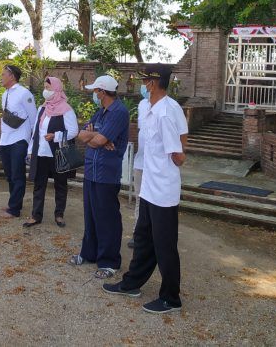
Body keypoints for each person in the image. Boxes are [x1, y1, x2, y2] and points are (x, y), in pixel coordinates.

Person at [103, 64, 189, 315]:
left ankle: (171, 298)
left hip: (163, 188)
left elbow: (179, 153)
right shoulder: (147, 107)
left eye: (144, 80)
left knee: (164, 244)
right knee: (143, 238)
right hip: (149, 184)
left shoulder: (166, 112)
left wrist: (174, 159)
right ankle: (132, 283)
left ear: (153, 83)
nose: (141, 84)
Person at [70, 75, 130, 280]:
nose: (94, 94)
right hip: (91, 170)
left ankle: (109, 261)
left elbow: (98, 140)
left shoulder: (119, 112)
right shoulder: (101, 112)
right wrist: (97, 137)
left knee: (107, 217)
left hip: (106, 172)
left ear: (103, 92)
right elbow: (81, 135)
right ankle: (89, 253)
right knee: (91, 214)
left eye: (96, 91)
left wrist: (97, 137)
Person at [23, 76, 79, 229]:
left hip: (58, 153)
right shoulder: (42, 108)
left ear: (56, 90)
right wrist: (30, 150)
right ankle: (36, 215)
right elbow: (36, 131)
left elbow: (74, 131)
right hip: (41, 152)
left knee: (60, 184)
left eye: (48, 88)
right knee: (38, 185)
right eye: (45, 88)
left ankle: (59, 214)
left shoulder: (66, 110)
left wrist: (56, 136)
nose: (45, 91)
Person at [0, 64, 37, 219]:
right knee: (9, 175)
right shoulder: (5, 94)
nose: (1, 77)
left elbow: (34, 119)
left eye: (3, 74)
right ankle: (13, 203)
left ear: (12, 76)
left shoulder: (24, 93)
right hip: (5, 139)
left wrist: (31, 144)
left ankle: (14, 209)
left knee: (17, 175)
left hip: (20, 139)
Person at [128, 92, 150, 248]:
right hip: (140, 163)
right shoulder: (142, 104)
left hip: (156, 166)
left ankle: (152, 235)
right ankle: (137, 234)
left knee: (153, 203)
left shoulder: (168, 106)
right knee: (139, 200)